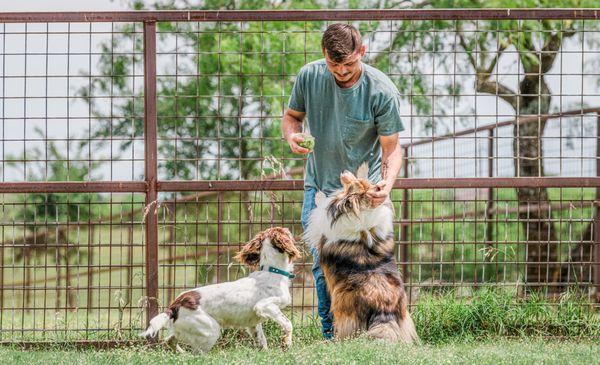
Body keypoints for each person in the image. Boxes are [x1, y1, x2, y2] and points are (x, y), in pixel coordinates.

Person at [281, 23, 404, 339]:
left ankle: (384, 326)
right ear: (324, 56)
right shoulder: (310, 75)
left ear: (362, 52)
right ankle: (332, 335)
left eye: (349, 63)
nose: (342, 71)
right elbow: (292, 116)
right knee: (324, 266)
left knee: (376, 265)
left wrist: (387, 185)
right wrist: (293, 135)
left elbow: (392, 148)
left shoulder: (381, 90)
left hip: (366, 193)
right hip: (321, 188)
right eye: (334, 64)